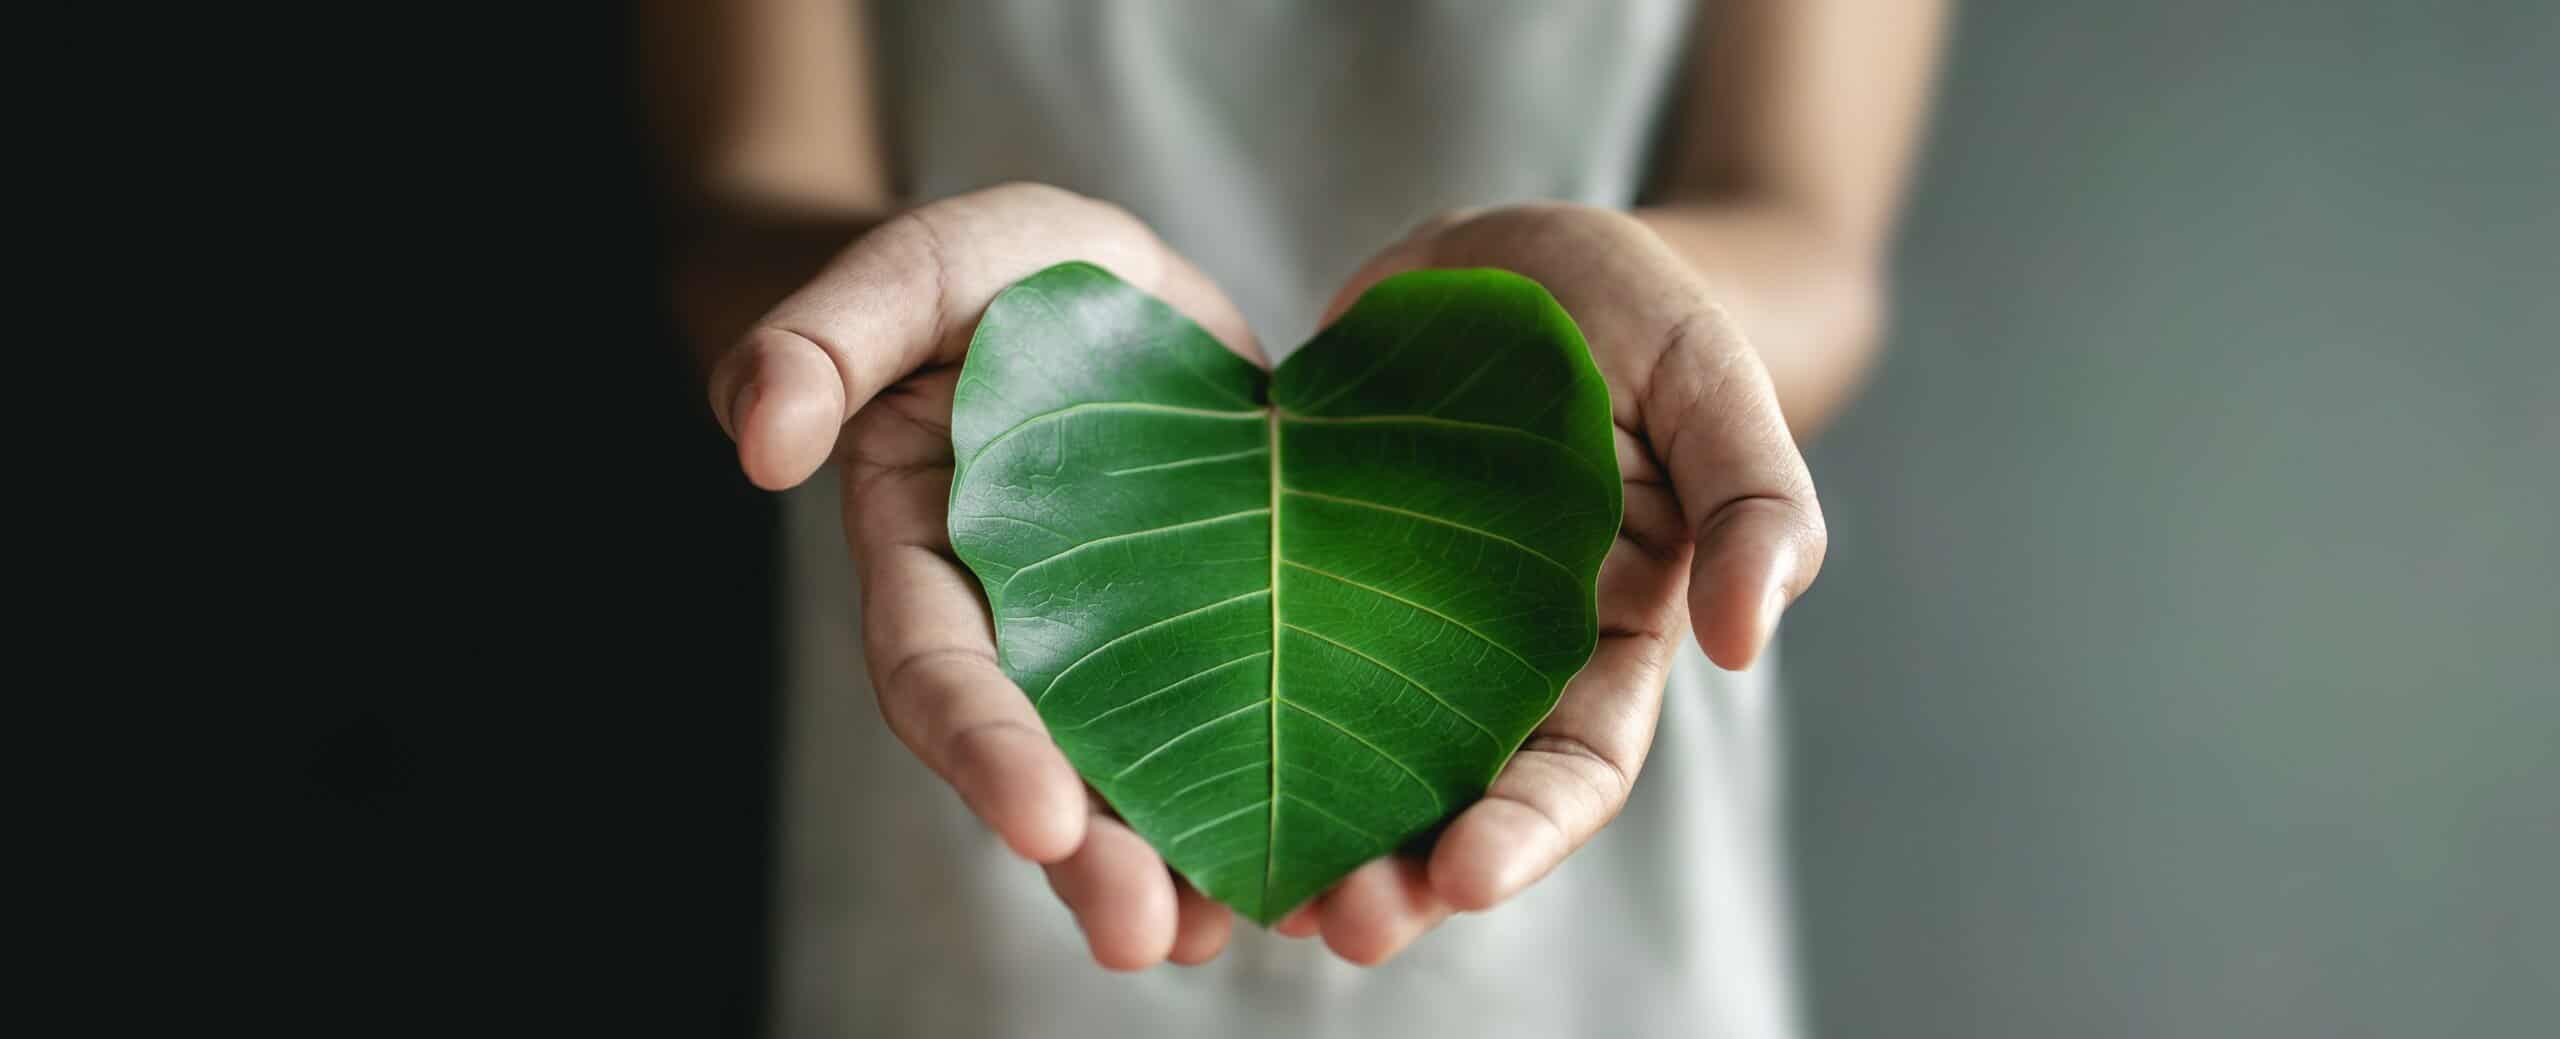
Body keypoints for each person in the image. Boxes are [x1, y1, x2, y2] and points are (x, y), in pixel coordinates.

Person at [640, 1, 1943, 1035]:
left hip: (1591, 645)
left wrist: (1679, 330)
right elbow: (741, 202)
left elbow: (1812, 238)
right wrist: (889, 308)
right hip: (971, 678)